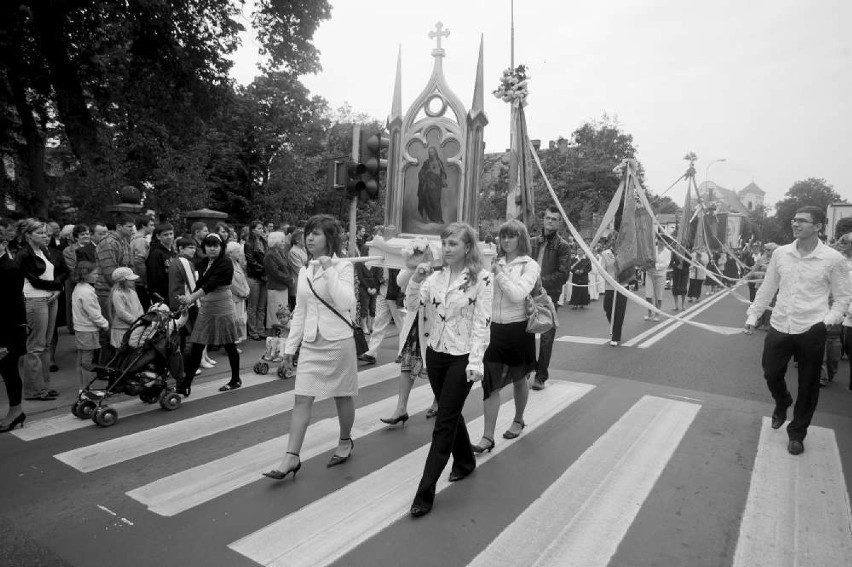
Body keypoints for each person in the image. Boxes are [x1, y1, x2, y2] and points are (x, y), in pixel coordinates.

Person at [744, 206, 851, 456]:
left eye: (802, 221)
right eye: (794, 219)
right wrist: (753, 315)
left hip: (813, 327)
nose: (795, 224)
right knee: (771, 372)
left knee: (808, 384)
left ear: (818, 227)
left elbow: (844, 296)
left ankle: (797, 433)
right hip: (781, 323)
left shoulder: (833, 259)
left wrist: (828, 319)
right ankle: (782, 401)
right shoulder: (781, 254)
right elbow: (768, 288)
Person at [406, 222, 493, 518]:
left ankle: (425, 491)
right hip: (437, 353)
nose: (446, 248)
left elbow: (483, 323)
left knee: (443, 422)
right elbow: (411, 306)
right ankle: (465, 462)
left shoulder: (482, 279)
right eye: (444, 243)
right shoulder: (435, 279)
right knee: (449, 410)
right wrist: (416, 280)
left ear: (468, 247)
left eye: (453, 243)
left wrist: (476, 361)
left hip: (463, 355)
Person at [264, 214, 358, 481]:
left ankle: (345, 440)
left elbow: (346, 302)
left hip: (338, 341)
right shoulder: (304, 270)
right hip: (311, 343)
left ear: (330, 238)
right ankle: (291, 457)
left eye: (316, 233)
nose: (310, 238)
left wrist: (329, 270)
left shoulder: (344, 266)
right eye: (308, 233)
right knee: (302, 398)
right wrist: (290, 349)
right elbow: (301, 311)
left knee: (342, 396)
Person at [472, 219, 538, 453]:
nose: (507, 240)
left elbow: (518, 294)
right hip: (494, 330)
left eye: (512, 236)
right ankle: (487, 437)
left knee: (519, 378)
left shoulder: (529, 265)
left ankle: (519, 419)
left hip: (518, 329)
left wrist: (498, 273)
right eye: (504, 236)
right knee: (490, 384)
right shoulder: (493, 261)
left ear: (521, 238)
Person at [177, 233, 242, 394]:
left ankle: (235, 379)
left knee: (229, 345)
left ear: (222, 247)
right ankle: (186, 384)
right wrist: (188, 302)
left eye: (216, 245)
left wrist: (190, 299)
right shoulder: (204, 262)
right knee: (197, 345)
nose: (212, 248)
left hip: (222, 306)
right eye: (209, 245)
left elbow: (211, 285)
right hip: (206, 306)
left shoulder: (226, 262)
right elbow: (199, 284)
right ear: (204, 247)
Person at [16, 219, 67, 401]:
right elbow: (34, 280)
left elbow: (60, 272)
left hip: (50, 298)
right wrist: (57, 286)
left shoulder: (44, 251)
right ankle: (33, 391)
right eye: (40, 233)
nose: (45, 236)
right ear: (28, 235)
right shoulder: (23, 255)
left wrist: (56, 288)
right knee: (35, 346)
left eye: (45, 233)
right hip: (35, 299)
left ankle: (44, 387)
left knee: (45, 344)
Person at [530, 206, 571, 390]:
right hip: (528, 293)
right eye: (548, 218)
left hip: (548, 296)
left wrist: (540, 283)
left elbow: (562, 275)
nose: (550, 221)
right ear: (543, 219)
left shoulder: (563, 246)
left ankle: (541, 375)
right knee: (526, 333)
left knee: (546, 337)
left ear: (559, 222)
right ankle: (526, 370)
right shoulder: (533, 242)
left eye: (554, 219)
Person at [95, 215, 134, 363]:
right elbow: (110, 272)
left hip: (122, 290)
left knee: (120, 328)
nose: (132, 229)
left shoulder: (124, 241)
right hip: (107, 292)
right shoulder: (108, 243)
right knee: (109, 329)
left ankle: (118, 362)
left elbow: (130, 267)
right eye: (129, 226)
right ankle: (106, 365)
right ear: (118, 227)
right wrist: (126, 289)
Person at [0, 225, 28, 431]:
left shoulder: (10, 269)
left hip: (7, 331)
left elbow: (11, 307)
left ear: (2, 244)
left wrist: (3, 342)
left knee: (9, 370)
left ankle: (16, 411)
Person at [72, 262, 109, 390]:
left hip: (80, 328)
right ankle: (85, 389)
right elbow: (93, 313)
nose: (97, 276)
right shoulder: (87, 292)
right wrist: (105, 324)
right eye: (94, 273)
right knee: (87, 361)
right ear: (85, 274)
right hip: (88, 329)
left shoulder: (79, 288)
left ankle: (83, 387)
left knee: (82, 359)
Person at [169, 237, 200, 355]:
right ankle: (187, 365)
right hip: (185, 304)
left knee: (182, 337)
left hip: (179, 302)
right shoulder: (183, 262)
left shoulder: (175, 262)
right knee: (188, 336)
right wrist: (197, 303)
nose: (193, 251)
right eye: (190, 248)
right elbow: (192, 286)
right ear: (181, 249)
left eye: (195, 248)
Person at [264, 231, 294, 337]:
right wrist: (289, 280)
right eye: (281, 241)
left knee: (283, 311)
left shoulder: (280, 253)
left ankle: (281, 334)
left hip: (282, 287)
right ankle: (273, 336)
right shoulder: (270, 255)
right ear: (275, 242)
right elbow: (275, 272)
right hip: (275, 287)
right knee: (275, 313)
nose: (284, 242)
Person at [108, 267, 144, 349]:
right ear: (122, 281)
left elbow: (139, 307)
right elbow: (121, 313)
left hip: (133, 327)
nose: (133, 281)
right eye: (130, 279)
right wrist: (136, 321)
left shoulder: (133, 292)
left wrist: (141, 318)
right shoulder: (117, 294)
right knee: (121, 353)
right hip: (121, 329)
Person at [601, 239, 628, 346]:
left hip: (622, 286)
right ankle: (615, 328)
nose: (614, 242)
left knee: (619, 312)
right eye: (612, 240)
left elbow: (629, 268)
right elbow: (601, 269)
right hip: (609, 286)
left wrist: (623, 277)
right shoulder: (605, 254)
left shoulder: (625, 253)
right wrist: (608, 279)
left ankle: (616, 335)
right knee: (607, 308)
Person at [244, 220, 268, 340]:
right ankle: (253, 332)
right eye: (259, 228)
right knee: (252, 306)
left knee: (261, 306)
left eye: (262, 228)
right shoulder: (248, 244)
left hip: (264, 277)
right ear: (253, 229)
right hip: (254, 277)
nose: (261, 230)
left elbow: (267, 257)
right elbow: (251, 261)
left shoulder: (264, 242)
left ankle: (260, 330)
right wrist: (264, 269)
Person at [145, 222, 175, 304]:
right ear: (158, 236)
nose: (169, 237)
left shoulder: (172, 251)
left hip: (172, 292)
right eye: (165, 235)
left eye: (171, 234)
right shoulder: (156, 253)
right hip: (161, 294)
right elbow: (154, 277)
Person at [226, 241, 249, 347]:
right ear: (230, 253)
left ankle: (236, 342)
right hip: (234, 297)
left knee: (240, 320)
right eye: (237, 252)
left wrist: (247, 290)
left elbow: (243, 279)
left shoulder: (237, 263)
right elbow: (231, 283)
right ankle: (232, 344)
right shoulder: (228, 264)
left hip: (241, 297)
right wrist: (243, 293)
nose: (240, 254)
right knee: (234, 321)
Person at [417, 146, 447, 224]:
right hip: (429, 185)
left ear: (435, 152)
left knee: (436, 201)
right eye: (429, 152)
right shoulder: (426, 163)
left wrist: (443, 180)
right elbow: (421, 173)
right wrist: (426, 172)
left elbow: (443, 173)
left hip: (437, 185)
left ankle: (438, 219)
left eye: (432, 152)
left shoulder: (439, 162)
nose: (431, 153)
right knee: (428, 201)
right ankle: (430, 219)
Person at [131, 215, 155, 309]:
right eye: (151, 225)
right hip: (140, 281)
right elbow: (139, 262)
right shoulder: (141, 240)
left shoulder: (134, 238)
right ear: (143, 226)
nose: (153, 227)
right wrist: (146, 280)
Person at [644, 237, 670, 321]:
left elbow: (666, 264)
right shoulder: (652, 249)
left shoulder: (668, 252)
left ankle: (657, 314)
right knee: (648, 295)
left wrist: (655, 266)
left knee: (658, 295)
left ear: (665, 242)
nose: (660, 242)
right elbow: (647, 259)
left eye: (662, 241)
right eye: (659, 240)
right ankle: (649, 314)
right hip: (649, 274)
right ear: (657, 241)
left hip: (660, 275)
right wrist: (648, 264)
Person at [286, 228, 308, 310]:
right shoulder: (293, 252)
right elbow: (300, 270)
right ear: (297, 240)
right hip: (297, 287)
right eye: (304, 238)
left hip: (304, 285)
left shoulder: (302, 249)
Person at [670, 246, 690, 311]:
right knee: (675, 289)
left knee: (683, 289)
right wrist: (677, 266)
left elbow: (689, 263)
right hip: (676, 273)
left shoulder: (687, 253)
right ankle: (676, 306)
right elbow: (671, 263)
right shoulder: (674, 252)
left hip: (684, 273)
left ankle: (683, 305)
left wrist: (683, 261)